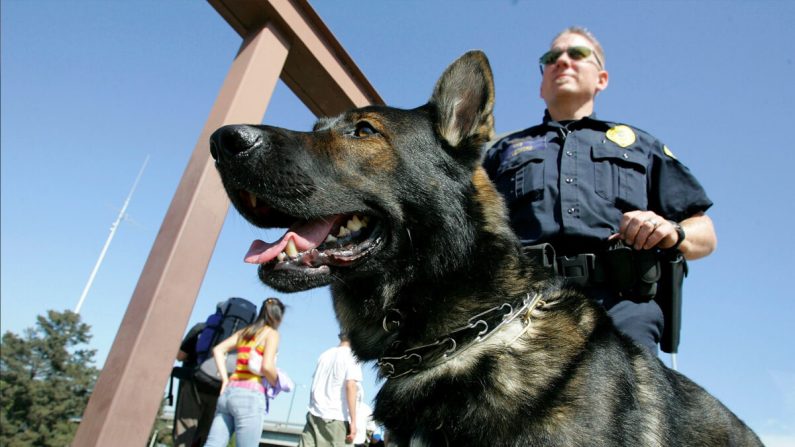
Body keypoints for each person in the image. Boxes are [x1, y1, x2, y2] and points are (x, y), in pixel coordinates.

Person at [483, 26, 717, 354]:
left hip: (620, 306)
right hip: (520, 307)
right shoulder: (500, 150)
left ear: (601, 79)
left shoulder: (641, 145)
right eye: (552, 58)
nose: (562, 61)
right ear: (541, 84)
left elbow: (705, 234)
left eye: (577, 54)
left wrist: (671, 230)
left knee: (629, 402)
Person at [204, 297, 286, 447]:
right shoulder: (271, 334)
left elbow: (218, 349)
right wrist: (277, 383)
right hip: (250, 394)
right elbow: (267, 366)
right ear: (277, 317)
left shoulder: (245, 332)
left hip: (229, 391)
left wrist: (225, 379)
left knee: (213, 444)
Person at [299, 333, 363, 447]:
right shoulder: (353, 357)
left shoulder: (325, 355)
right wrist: (353, 421)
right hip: (336, 418)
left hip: (314, 415)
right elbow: (351, 386)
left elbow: (314, 384)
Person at [172, 321, 219, 447]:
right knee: (205, 435)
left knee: (185, 432)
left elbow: (180, 356)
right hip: (218, 389)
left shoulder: (201, 328)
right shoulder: (240, 334)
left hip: (193, 383)